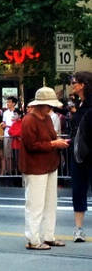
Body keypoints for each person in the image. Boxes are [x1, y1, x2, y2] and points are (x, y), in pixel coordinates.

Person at [19, 87, 69, 250]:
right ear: (41, 104)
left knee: (50, 204)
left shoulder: (47, 118)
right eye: (49, 105)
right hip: (35, 167)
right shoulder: (28, 120)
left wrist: (57, 141)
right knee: (35, 205)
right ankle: (33, 239)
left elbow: (51, 137)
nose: (51, 108)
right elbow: (31, 145)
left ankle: (48, 236)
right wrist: (55, 143)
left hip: (49, 165)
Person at [70, 71, 92, 242]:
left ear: (83, 84)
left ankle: (79, 229)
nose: (72, 84)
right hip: (79, 154)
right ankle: (78, 229)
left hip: (88, 153)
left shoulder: (89, 105)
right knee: (78, 190)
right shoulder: (80, 103)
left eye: (74, 82)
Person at [2, 96, 17, 175]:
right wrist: (3, 125)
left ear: (14, 103)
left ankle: (14, 171)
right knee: (7, 155)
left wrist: (7, 126)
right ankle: (8, 171)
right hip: (6, 135)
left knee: (14, 155)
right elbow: (3, 123)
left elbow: (17, 125)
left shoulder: (16, 112)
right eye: (7, 102)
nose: (7, 103)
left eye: (9, 102)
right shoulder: (5, 113)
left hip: (14, 136)